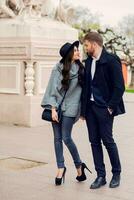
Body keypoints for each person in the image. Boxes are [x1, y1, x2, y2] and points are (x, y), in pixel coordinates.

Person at [41, 41, 91, 186]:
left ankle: (78, 165)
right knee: (57, 138)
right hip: (56, 108)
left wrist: (84, 111)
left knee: (66, 137)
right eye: (75, 50)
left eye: (78, 50)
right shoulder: (58, 68)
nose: (78, 52)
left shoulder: (82, 69)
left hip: (72, 108)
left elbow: (85, 92)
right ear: (69, 54)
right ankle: (60, 168)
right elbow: (52, 89)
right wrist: (53, 109)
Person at [81, 32, 125, 189]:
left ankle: (116, 173)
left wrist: (110, 107)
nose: (85, 48)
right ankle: (101, 176)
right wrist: (83, 111)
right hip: (90, 108)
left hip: (105, 108)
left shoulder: (111, 60)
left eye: (86, 45)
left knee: (108, 141)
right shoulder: (88, 62)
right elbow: (86, 87)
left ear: (94, 44)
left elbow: (119, 87)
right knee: (94, 142)